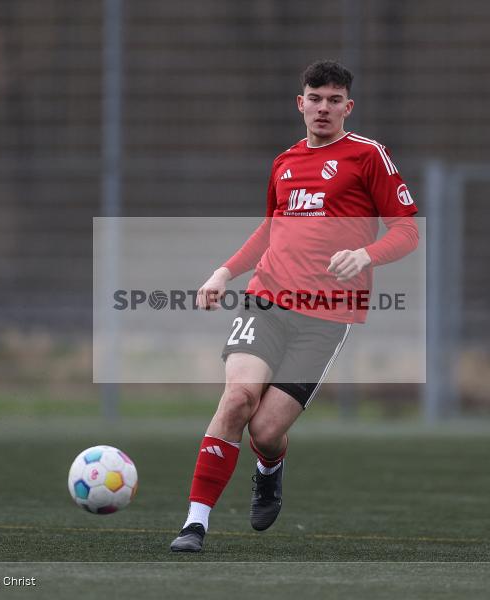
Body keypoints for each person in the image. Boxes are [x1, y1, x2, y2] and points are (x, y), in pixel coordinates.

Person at [170, 60, 419, 552]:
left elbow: (407, 230)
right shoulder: (284, 161)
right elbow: (270, 229)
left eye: (333, 100)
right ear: (299, 103)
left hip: (325, 317)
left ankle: (269, 465)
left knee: (265, 430)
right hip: (266, 299)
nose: (323, 108)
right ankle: (194, 524)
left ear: (348, 106)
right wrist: (225, 272)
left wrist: (366, 254)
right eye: (315, 98)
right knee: (239, 397)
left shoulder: (368, 156)